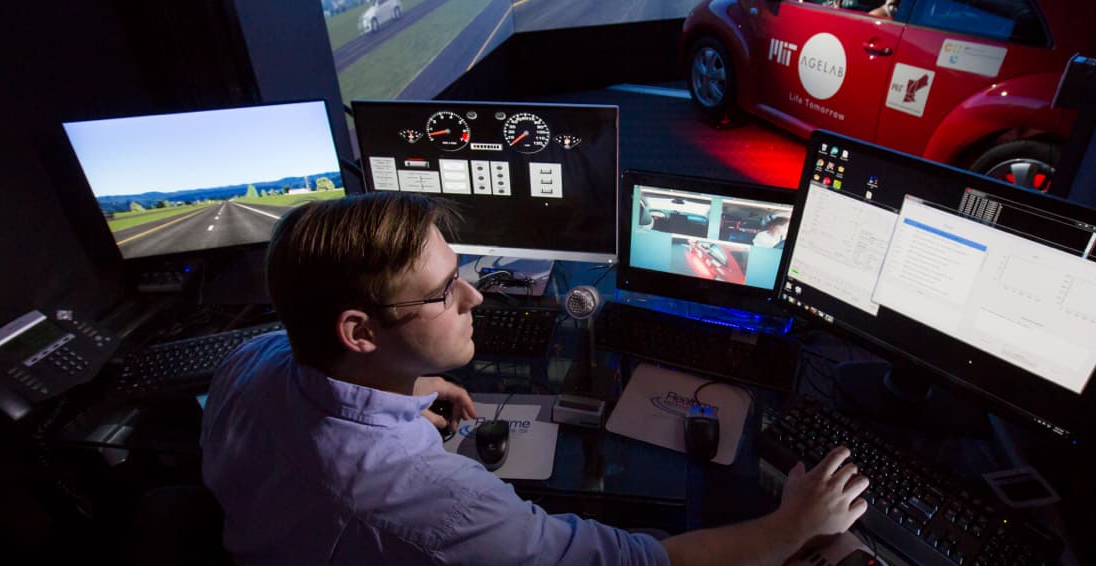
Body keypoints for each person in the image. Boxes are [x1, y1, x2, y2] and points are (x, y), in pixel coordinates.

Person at [201, 192, 870, 565]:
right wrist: (793, 525)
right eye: (443, 291)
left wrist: (411, 383)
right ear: (360, 332)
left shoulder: (252, 359)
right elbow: (640, 564)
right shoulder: (439, 504)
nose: (475, 297)